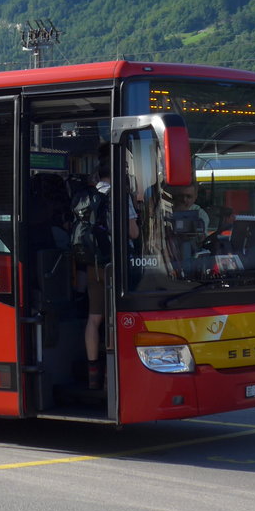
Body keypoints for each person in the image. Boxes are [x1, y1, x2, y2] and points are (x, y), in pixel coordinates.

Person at [82, 158, 140, 390]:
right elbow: (133, 233)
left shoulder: (88, 195)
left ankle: (92, 374)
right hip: (115, 266)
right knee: (113, 319)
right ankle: (110, 378)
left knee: (93, 319)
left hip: (92, 264)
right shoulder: (119, 196)